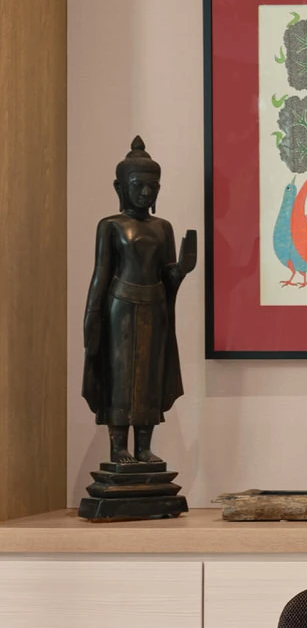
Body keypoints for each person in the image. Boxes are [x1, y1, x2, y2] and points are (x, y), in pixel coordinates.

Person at [81, 137, 197, 465]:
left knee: (149, 376)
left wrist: (182, 269)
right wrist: (92, 314)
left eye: (152, 186)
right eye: (138, 185)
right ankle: (118, 447)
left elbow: (167, 276)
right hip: (120, 309)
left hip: (155, 308)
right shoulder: (111, 226)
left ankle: (143, 446)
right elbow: (100, 275)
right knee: (120, 375)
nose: (146, 193)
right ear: (120, 187)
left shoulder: (164, 228)